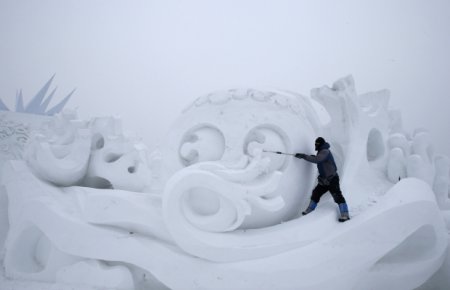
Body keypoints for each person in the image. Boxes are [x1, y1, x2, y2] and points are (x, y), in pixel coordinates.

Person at [295, 137, 350, 222]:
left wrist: (304, 156)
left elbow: (318, 159)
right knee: (316, 193)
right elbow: (319, 158)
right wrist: (311, 156)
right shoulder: (321, 152)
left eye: (317, 144)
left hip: (332, 179)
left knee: (337, 195)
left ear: (320, 144)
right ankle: (310, 210)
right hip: (324, 180)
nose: (315, 145)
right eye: (315, 144)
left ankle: (345, 214)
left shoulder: (325, 151)